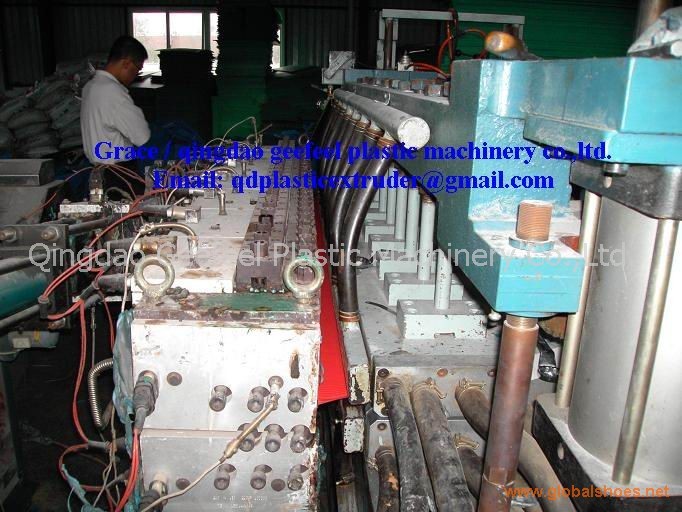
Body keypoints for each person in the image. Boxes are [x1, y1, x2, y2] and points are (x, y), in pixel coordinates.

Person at [81, 36, 151, 165]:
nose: (136, 75)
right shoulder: (113, 92)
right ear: (127, 63)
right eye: (137, 70)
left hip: (96, 167)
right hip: (118, 170)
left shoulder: (90, 86)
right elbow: (142, 136)